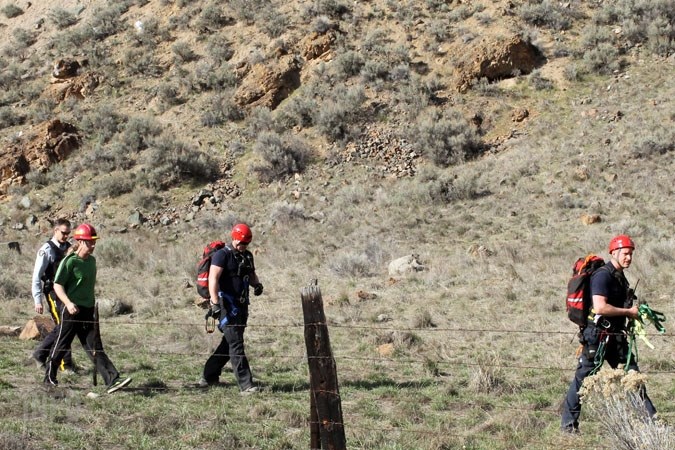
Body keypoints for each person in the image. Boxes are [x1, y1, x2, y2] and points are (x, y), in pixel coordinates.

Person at [561, 234, 657, 432]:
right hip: (598, 337)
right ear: (614, 252)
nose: (628, 258)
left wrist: (629, 316)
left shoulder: (619, 277)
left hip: (616, 336)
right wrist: (629, 312)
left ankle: (652, 423)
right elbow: (601, 307)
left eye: (630, 254)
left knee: (633, 377)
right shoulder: (603, 276)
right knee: (583, 380)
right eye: (625, 253)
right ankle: (568, 426)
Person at [45, 223, 132, 394]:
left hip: (87, 310)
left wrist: (91, 306)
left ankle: (112, 380)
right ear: (80, 241)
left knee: (94, 346)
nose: (93, 245)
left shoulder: (92, 261)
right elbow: (57, 285)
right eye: (89, 242)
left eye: (94, 242)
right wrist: (69, 304)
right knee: (62, 343)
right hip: (70, 310)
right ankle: (49, 377)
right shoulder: (69, 262)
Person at [200, 223, 264, 394]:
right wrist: (214, 304)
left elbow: (250, 274)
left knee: (229, 343)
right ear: (234, 237)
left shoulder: (247, 256)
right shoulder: (222, 255)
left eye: (246, 243)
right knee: (236, 344)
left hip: (242, 306)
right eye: (241, 242)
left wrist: (256, 284)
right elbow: (213, 279)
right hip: (226, 306)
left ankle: (208, 375)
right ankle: (246, 385)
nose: (243, 246)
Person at [31, 218, 76, 373]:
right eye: (63, 233)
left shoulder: (69, 247)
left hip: (67, 293)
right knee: (64, 326)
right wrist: (38, 300)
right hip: (53, 293)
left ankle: (40, 353)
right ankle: (65, 364)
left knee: (65, 326)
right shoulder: (46, 249)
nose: (66, 236)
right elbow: (37, 276)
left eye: (68, 233)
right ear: (55, 230)